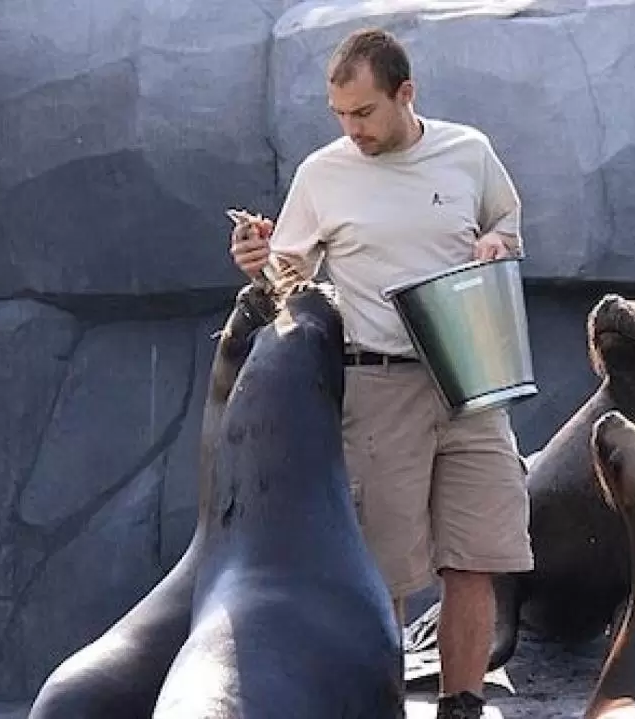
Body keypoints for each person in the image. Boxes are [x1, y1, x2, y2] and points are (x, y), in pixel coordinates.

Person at [228, 27, 533, 719]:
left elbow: (507, 227)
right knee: (381, 570)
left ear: (406, 94)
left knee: (474, 552)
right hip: (377, 382)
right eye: (339, 114)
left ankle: (463, 704)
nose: (351, 129)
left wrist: (495, 243)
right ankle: (380, 706)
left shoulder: (469, 152)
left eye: (363, 112)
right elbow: (290, 273)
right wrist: (260, 257)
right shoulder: (323, 173)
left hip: (472, 375)